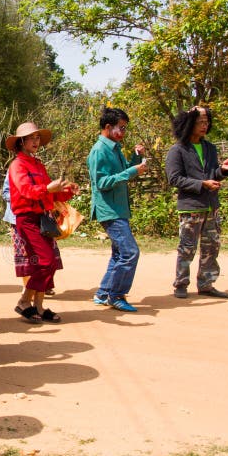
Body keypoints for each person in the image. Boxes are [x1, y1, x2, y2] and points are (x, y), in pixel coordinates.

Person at [7, 122, 78, 323]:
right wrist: (49, 188)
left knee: (49, 263)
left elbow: (50, 197)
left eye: (37, 137)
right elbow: (27, 191)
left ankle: (38, 305)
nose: (35, 141)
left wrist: (67, 192)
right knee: (45, 261)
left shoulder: (38, 164)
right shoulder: (17, 165)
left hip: (43, 218)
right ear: (21, 142)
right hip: (27, 219)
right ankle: (24, 301)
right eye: (31, 138)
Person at [166, 106, 228, 299]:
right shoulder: (177, 150)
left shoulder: (210, 148)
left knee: (211, 247)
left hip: (211, 206)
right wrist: (201, 184)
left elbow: (213, 175)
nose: (204, 126)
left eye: (206, 122)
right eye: (200, 122)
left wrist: (223, 170)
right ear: (189, 124)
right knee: (187, 248)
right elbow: (174, 179)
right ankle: (181, 284)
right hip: (190, 207)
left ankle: (206, 284)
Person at [87, 107, 148, 312]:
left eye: (124, 128)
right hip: (109, 210)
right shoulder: (99, 150)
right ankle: (116, 295)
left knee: (119, 253)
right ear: (107, 127)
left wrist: (136, 159)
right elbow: (102, 182)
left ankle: (104, 292)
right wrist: (132, 171)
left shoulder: (114, 147)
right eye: (120, 128)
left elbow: (121, 173)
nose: (123, 132)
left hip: (118, 208)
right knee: (130, 252)